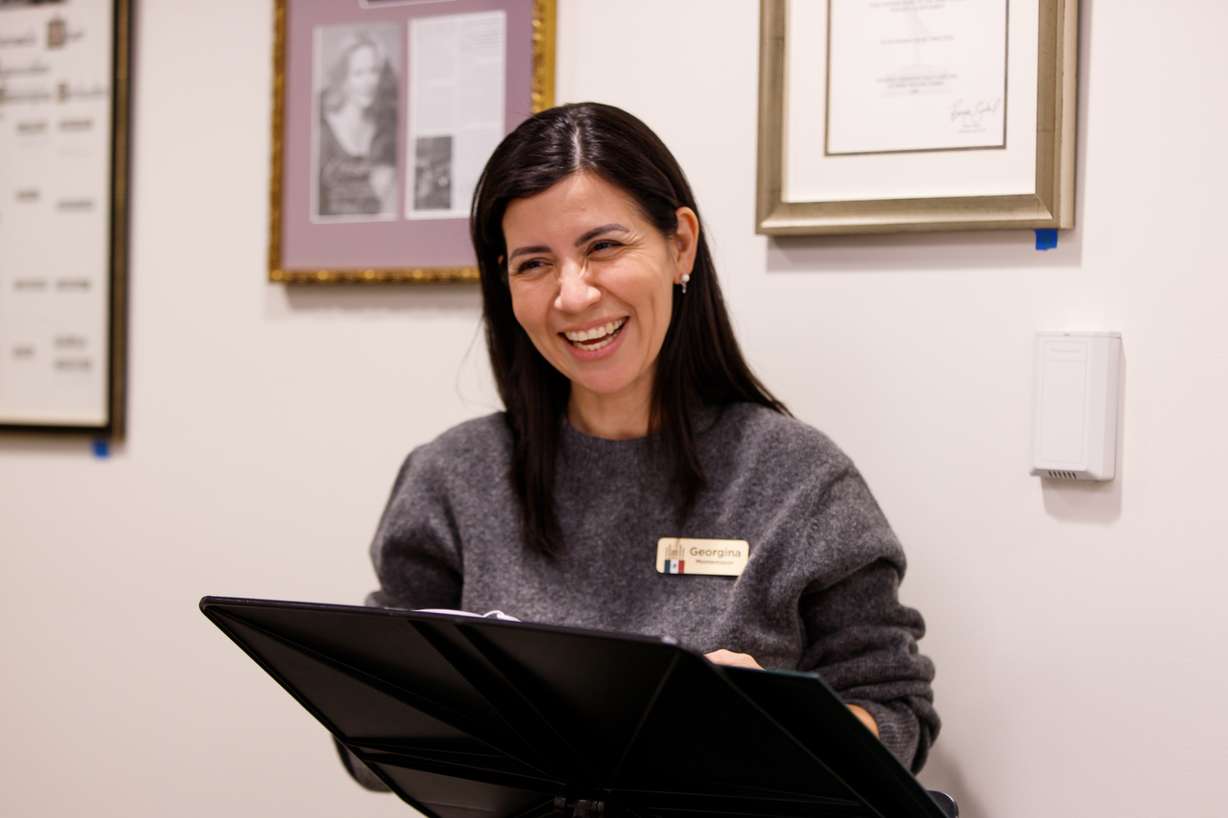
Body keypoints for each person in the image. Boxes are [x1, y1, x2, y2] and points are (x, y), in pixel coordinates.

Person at [340, 102, 938, 789]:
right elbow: (368, 745)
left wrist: (777, 724)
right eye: (535, 263)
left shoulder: (799, 480)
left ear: (680, 244)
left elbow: (898, 719)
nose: (573, 295)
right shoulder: (452, 479)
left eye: (602, 247)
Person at [316, 32, 397, 217]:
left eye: (374, 71)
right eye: (358, 73)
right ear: (343, 78)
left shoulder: (387, 131)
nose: (368, 82)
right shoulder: (321, 130)